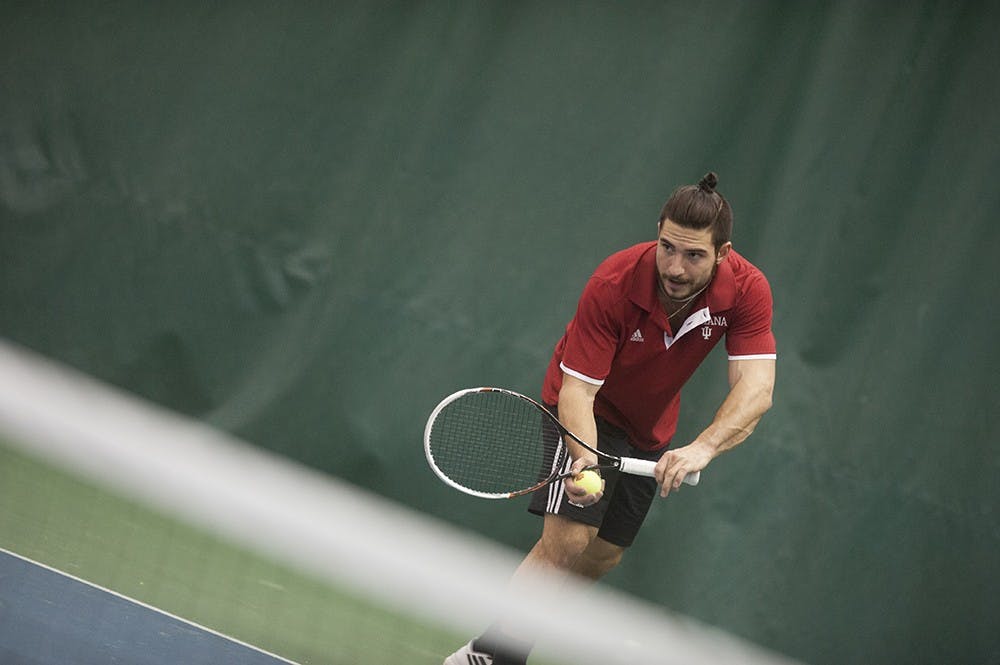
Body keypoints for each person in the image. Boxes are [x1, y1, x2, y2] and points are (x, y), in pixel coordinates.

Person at [445, 172, 777, 665]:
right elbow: (578, 389)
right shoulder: (615, 282)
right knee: (569, 539)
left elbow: (757, 388)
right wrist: (584, 462)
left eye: (694, 255)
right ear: (658, 230)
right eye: (668, 247)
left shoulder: (748, 291)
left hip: (651, 427)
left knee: (603, 555)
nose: (676, 267)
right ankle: (496, 657)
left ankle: (487, 646)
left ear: (723, 253)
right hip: (585, 411)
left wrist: (702, 446)